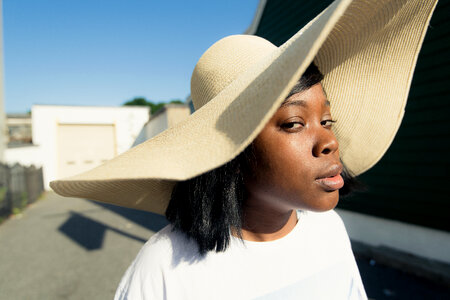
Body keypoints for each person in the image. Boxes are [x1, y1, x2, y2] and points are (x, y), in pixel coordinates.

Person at [50, 0, 438, 299]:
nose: (329, 141)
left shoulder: (329, 231)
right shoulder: (165, 265)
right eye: (293, 123)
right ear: (231, 155)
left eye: (327, 120)